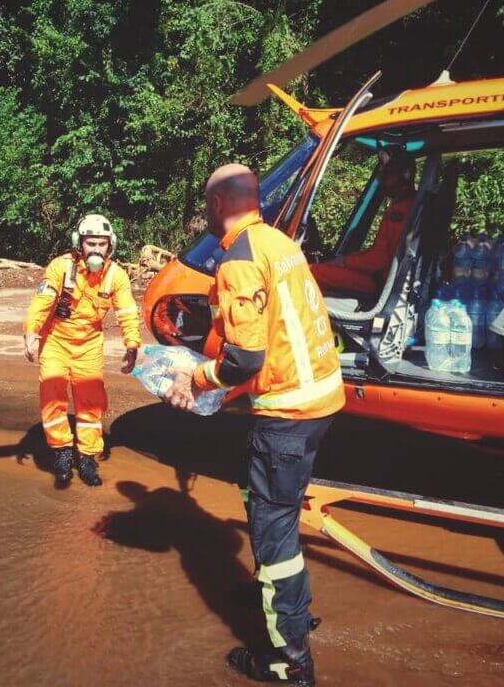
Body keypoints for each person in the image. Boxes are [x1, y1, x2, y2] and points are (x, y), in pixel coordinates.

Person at [165, 163, 344, 686]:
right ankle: (290, 609)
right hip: (319, 401)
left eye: (206, 203)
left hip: (288, 413)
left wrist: (197, 378)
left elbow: (244, 358)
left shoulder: (238, 259)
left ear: (218, 204)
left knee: (273, 538)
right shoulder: (276, 242)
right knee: (274, 512)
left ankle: (289, 662)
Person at [24, 214, 141, 488]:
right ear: (80, 243)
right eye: (91, 243)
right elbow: (43, 301)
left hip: (88, 346)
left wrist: (132, 344)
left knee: (90, 401)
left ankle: (87, 457)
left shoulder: (116, 275)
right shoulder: (60, 267)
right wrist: (31, 331)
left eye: (102, 244)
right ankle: (62, 452)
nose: (96, 249)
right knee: (52, 395)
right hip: (55, 341)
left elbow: (127, 312)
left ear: (109, 245)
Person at [309, 147, 416, 297]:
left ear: (406, 174)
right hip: (379, 278)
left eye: (388, 171)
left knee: (309, 272)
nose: (383, 177)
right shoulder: (407, 204)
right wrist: (349, 259)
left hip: (378, 284)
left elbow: (379, 260)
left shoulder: (401, 210)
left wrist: (345, 262)